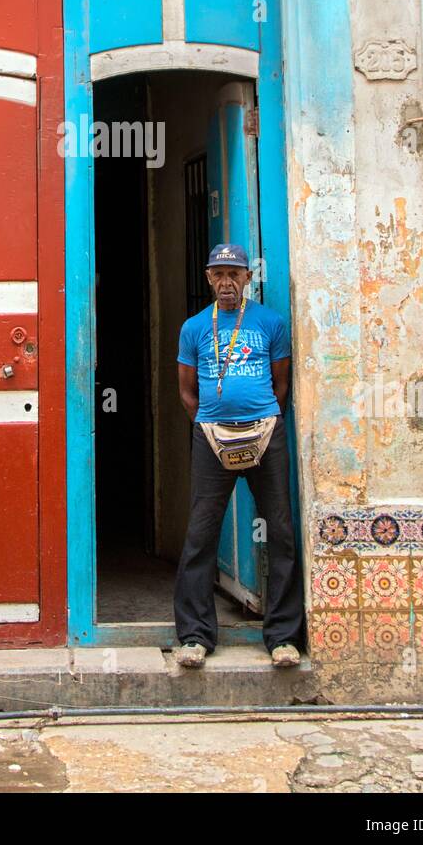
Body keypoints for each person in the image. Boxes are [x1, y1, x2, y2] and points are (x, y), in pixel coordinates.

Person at [174, 243, 305, 669]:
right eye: (218, 274)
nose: (226, 282)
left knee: (281, 530)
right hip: (212, 437)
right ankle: (195, 636)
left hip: (266, 433)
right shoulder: (194, 328)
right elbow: (187, 391)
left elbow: (280, 385)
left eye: (235, 274)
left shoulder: (270, 323)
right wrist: (210, 422)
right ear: (208, 278)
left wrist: (263, 421)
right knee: (200, 533)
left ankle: (283, 637)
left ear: (249, 278)